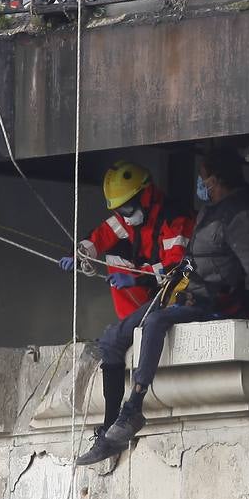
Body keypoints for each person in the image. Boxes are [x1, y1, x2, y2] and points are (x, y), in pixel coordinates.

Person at [79, 147, 249, 464]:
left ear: (216, 180)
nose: (200, 185)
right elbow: (186, 261)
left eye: (203, 179)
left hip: (212, 301)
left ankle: (132, 408)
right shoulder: (209, 211)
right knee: (112, 337)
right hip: (183, 290)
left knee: (155, 322)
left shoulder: (240, 216)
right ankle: (109, 432)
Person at [59, 161, 193, 465]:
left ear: (145, 195)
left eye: (128, 207)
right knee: (112, 341)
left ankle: (115, 426)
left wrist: (137, 276)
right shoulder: (129, 215)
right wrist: (75, 254)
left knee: (113, 339)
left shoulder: (175, 218)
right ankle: (109, 427)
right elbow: (99, 237)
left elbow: (177, 268)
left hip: (173, 296)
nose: (124, 214)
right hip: (151, 295)